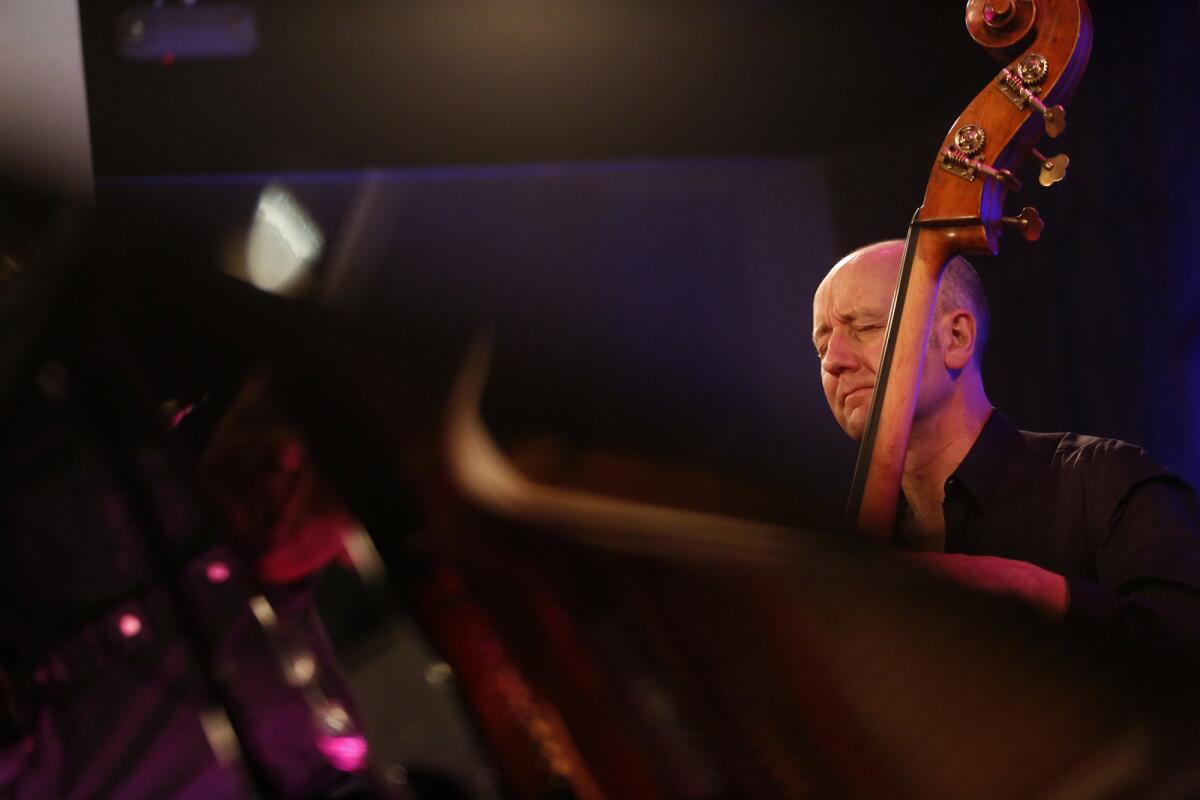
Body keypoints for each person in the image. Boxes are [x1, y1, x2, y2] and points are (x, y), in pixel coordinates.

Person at [811, 240, 1200, 651]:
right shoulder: (836, 533)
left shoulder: (1104, 483)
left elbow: (1183, 651)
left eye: (868, 327)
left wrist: (1030, 589)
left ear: (957, 338)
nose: (833, 359)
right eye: (820, 345)